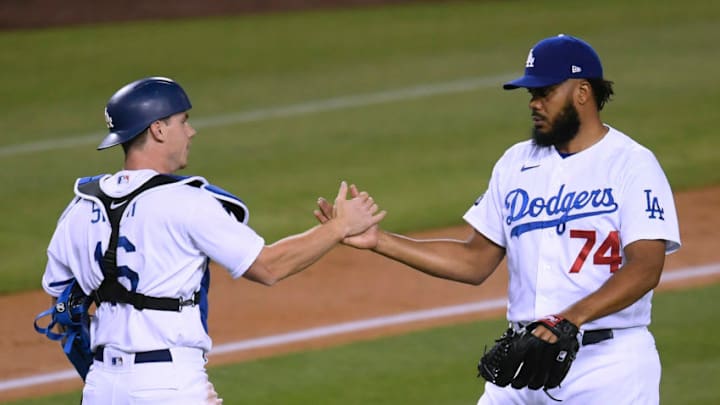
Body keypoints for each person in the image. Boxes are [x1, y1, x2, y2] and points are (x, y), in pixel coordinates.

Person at [314, 34, 680, 404]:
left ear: (582, 92)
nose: (534, 104)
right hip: (524, 360)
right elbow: (474, 261)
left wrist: (569, 319)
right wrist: (380, 240)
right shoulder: (516, 163)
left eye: (545, 92)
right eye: (531, 95)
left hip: (607, 366)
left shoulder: (631, 164)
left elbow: (646, 267)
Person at [40, 76, 385, 404]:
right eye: (183, 120)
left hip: (101, 387)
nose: (191, 131)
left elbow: (63, 304)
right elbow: (268, 267)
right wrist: (340, 226)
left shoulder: (79, 207)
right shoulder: (186, 201)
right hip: (169, 383)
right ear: (158, 129)